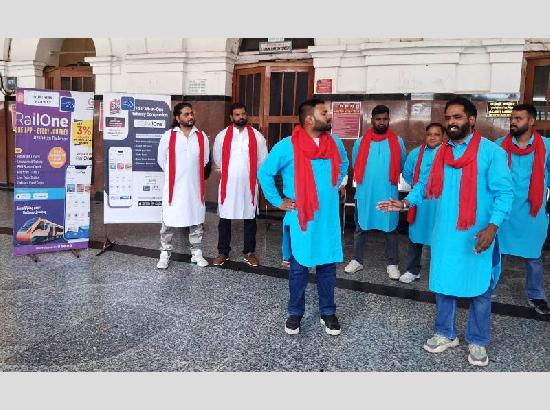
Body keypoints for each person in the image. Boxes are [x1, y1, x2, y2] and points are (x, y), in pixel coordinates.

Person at [378, 96, 513, 367]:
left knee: (480, 288)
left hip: (477, 234)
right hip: (444, 234)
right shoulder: (441, 153)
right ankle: (445, 333)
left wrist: (492, 227)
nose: (451, 122)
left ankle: (477, 340)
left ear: (472, 120)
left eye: (457, 117)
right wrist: (405, 203)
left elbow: (505, 193)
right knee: (443, 284)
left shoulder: (491, 153)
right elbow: (424, 184)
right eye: (448, 117)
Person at [257, 98, 349, 336]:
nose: (329, 115)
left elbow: (344, 164)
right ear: (309, 119)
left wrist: (336, 184)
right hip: (302, 220)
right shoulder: (287, 146)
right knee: (299, 269)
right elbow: (265, 173)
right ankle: (295, 312)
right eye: (324, 112)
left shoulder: (335, 143)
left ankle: (328, 312)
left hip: (327, 219)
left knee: (327, 268)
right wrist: (278, 201)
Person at [495, 104, 550, 315]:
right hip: (505, 209)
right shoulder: (500, 145)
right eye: (512, 118)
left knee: (533, 256)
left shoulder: (547, 146)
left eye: (518, 118)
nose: (513, 122)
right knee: (497, 251)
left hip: (532, 212)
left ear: (531, 121)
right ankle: (488, 287)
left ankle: (536, 295)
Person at [344, 105, 406, 280]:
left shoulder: (398, 141)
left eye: (385, 119)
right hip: (366, 193)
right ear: (372, 120)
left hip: (388, 193)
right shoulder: (360, 142)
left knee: (391, 230)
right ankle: (357, 260)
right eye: (378, 119)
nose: (381, 122)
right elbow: (356, 164)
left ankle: (392, 264)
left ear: (389, 120)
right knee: (360, 228)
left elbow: (401, 165)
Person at [212, 103, 268, 267]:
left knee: (250, 217)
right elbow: (218, 159)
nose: (241, 117)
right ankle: (223, 252)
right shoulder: (222, 136)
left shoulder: (257, 136)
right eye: (237, 115)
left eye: (243, 114)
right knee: (225, 218)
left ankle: (249, 252)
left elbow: (263, 160)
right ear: (231, 117)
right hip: (228, 184)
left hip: (248, 184)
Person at [156, 102, 210, 269]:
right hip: (174, 189)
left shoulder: (201, 136)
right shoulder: (168, 136)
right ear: (177, 118)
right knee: (169, 221)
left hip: (194, 188)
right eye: (186, 114)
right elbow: (161, 160)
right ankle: (165, 253)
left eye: (191, 113)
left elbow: (205, 160)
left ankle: (196, 253)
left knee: (196, 220)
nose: (190, 117)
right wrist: (177, 174)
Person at [399, 123, 445, 283]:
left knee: (440, 236)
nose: (432, 137)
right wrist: (419, 188)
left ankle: (440, 272)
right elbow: (407, 173)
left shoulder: (449, 154)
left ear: (443, 137)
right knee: (416, 235)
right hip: (420, 202)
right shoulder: (415, 154)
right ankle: (413, 270)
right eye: (429, 134)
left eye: (436, 134)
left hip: (440, 202)